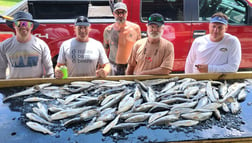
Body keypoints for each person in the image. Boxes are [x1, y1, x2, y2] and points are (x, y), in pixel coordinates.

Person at [0, 11, 54, 79]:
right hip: (14, 86)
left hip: (36, 86)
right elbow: (1, 69)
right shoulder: (4, 45)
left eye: (26, 24)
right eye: (19, 24)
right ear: (14, 25)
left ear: (31, 26)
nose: (23, 27)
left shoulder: (41, 45)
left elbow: (49, 70)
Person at [103, 2, 141, 75]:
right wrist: (103, 65)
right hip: (113, 66)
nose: (120, 15)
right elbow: (105, 49)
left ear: (127, 13)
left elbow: (139, 49)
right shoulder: (108, 30)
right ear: (114, 14)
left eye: (123, 12)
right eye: (117, 12)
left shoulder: (135, 28)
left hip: (129, 66)